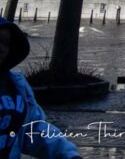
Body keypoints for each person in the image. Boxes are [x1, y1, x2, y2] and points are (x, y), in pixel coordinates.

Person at [0, 18, 81, 158]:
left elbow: (33, 129)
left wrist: (68, 154)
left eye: (6, 43)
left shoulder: (16, 85)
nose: (1, 48)